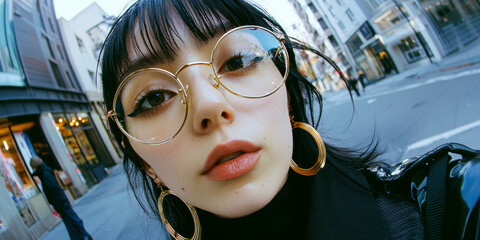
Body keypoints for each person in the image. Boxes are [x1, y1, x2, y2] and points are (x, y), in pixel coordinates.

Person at [100, 1, 478, 239]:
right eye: (153, 98)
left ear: (288, 97)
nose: (209, 106)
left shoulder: (451, 202)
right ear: (144, 161)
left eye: (237, 61)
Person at [30, 157, 92, 240]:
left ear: (35, 166)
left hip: (61, 203)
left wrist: (57, 205)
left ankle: (84, 236)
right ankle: (81, 237)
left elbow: (54, 190)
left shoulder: (45, 174)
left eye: (33, 167)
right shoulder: (44, 172)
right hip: (61, 202)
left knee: (72, 220)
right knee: (70, 222)